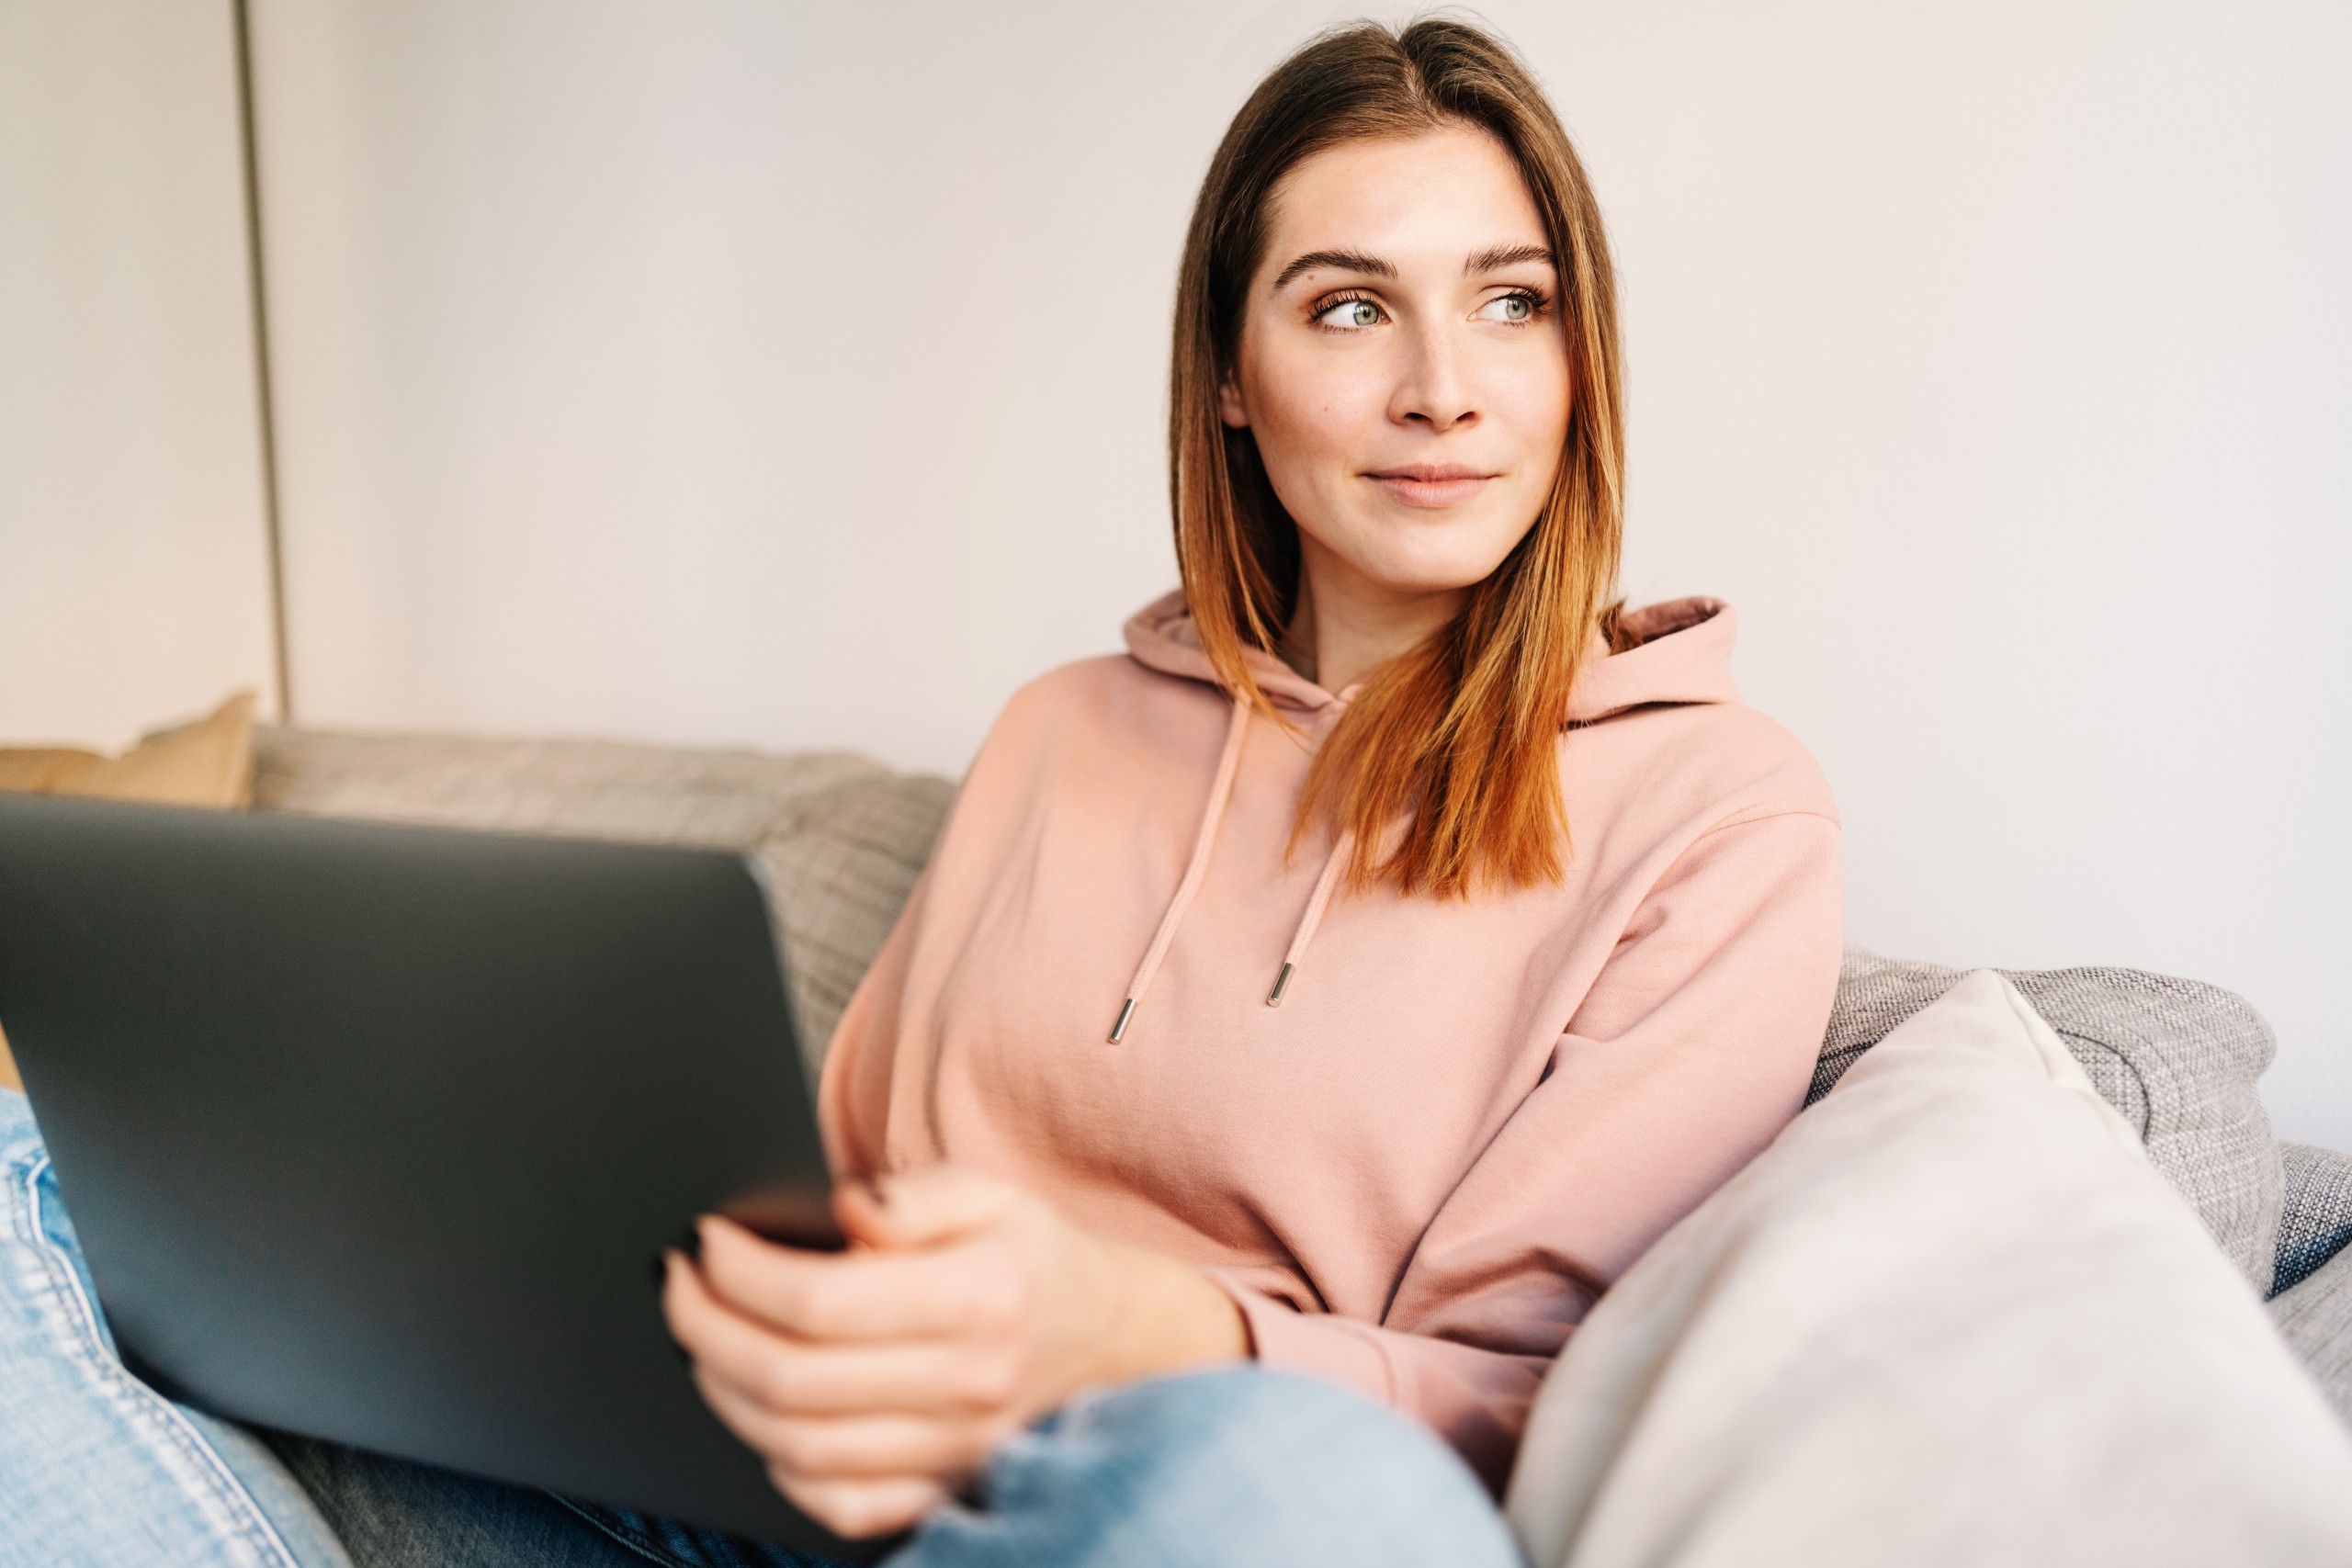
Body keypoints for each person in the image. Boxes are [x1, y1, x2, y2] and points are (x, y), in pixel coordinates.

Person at [0, 18, 1839, 1567]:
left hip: (1163, 1500)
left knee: (1308, 1498)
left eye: (1507, 303)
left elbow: (1536, 1411)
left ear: (1576, 353)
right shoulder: (1062, 727)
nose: (1442, 388)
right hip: (791, 1494)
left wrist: (1134, 1330)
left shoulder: (1711, 812)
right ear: (1226, 377)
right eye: (1348, 307)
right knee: (28, 1177)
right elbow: (850, 1172)